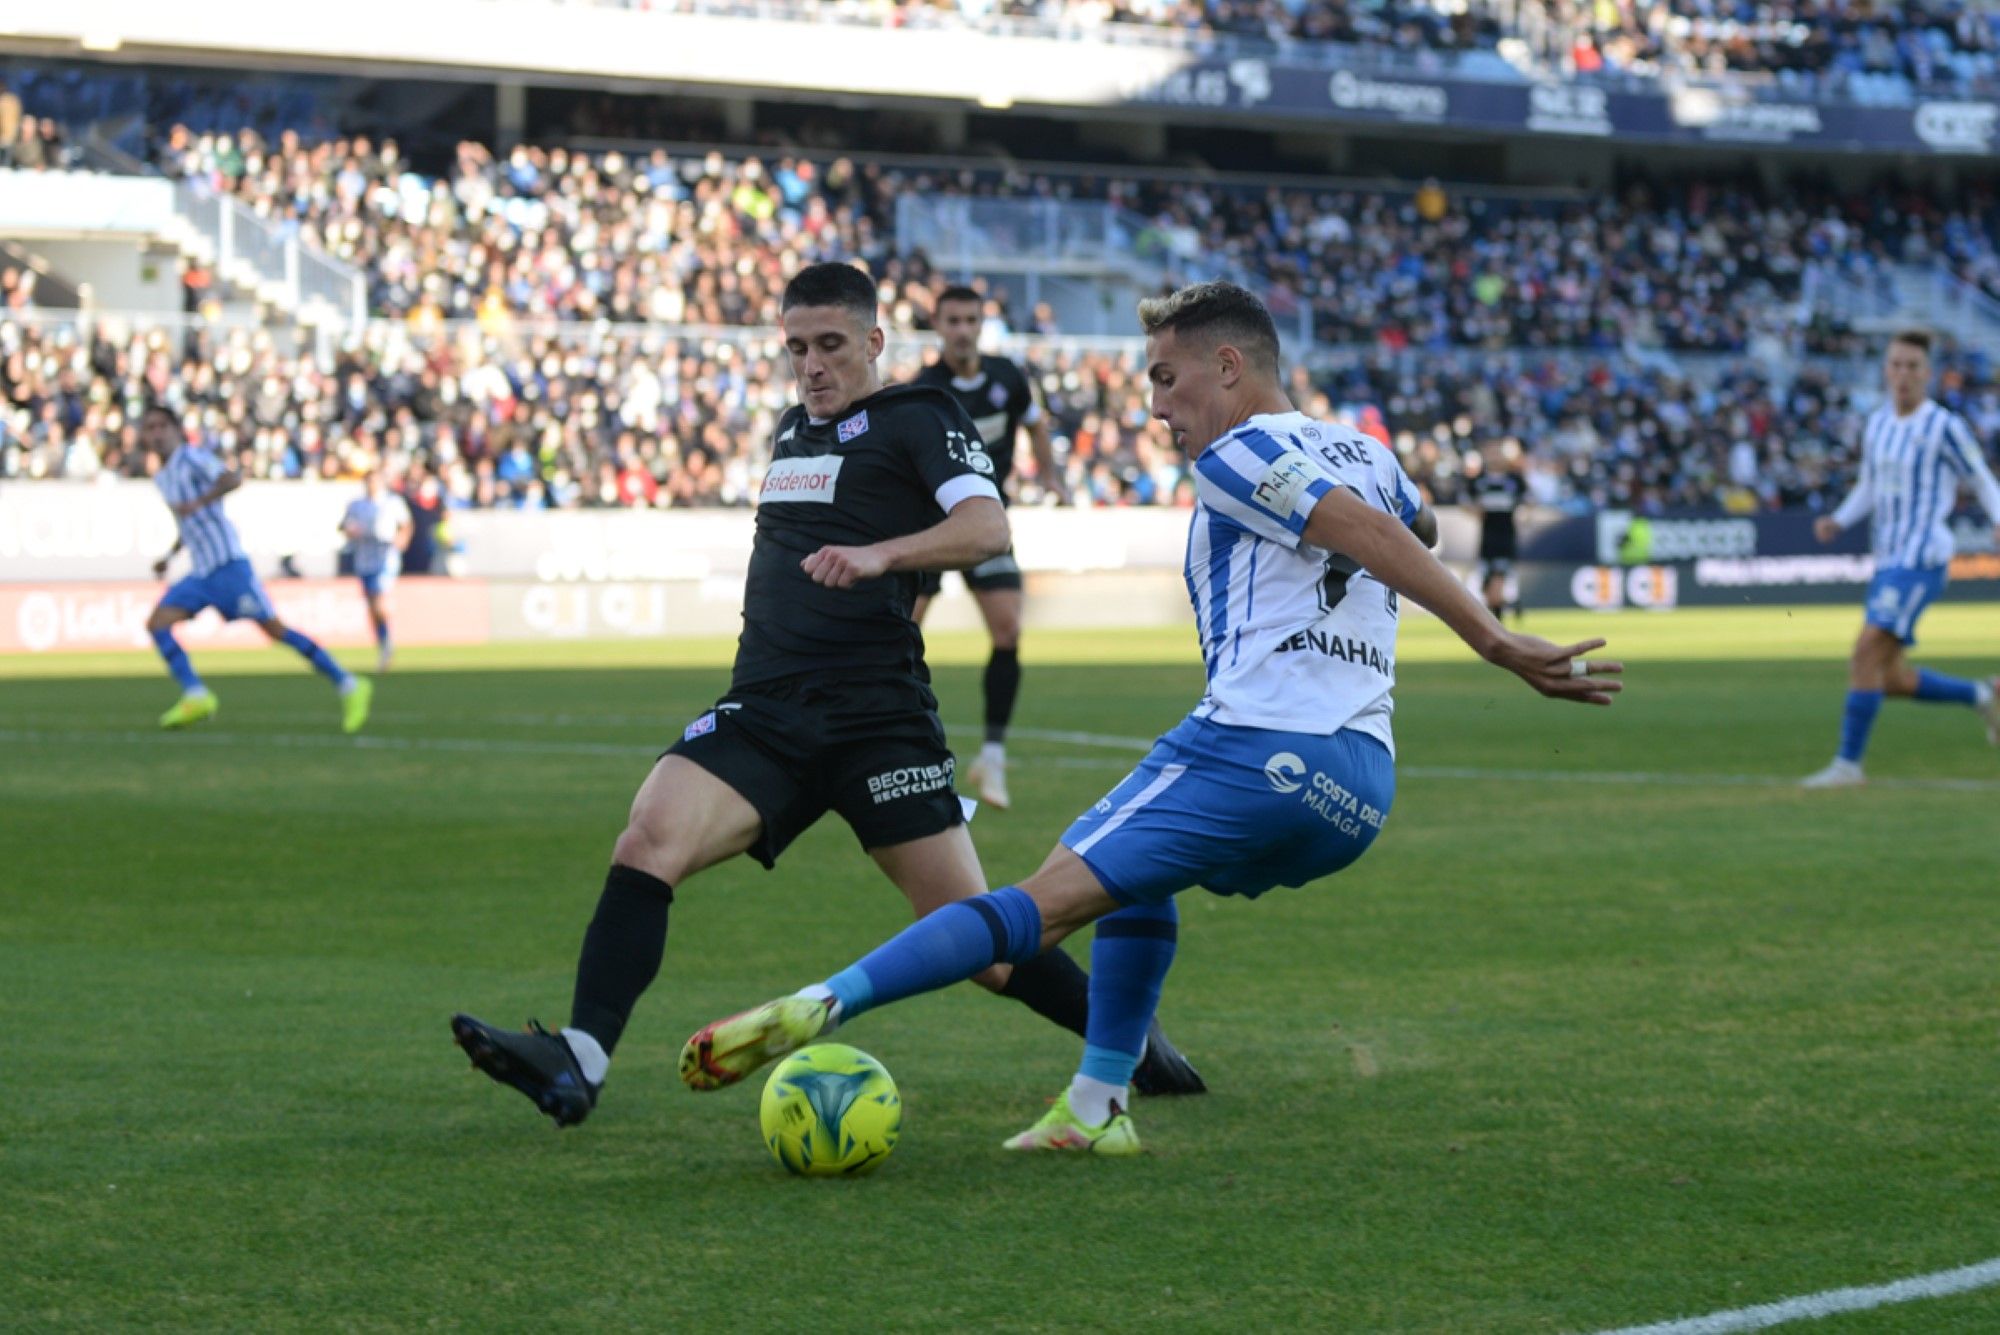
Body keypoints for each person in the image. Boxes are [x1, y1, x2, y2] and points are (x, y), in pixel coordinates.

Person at [675, 281, 1621, 1155]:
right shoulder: (1367, 450)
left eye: (1167, 381)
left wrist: (1495, 639)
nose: (1158, 409)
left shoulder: (1236, 452)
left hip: (1255, 750)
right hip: (1360, 786)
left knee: (1030, 906)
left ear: (1230, 366)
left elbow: (1365, 535)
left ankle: (820, 1003)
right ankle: (1097, 1108)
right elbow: (1409, 526)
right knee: (1135, 876)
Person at [451, 262, 1203, 1130]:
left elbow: (987, 526)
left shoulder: (921, 415)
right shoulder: (788, 432)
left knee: (984, 947)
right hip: (766, 709)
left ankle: (1132, 1040)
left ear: (874, 341)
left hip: (877, 718)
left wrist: (886, 555)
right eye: (797, 347)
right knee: (648, 836)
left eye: (831, 345)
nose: (811, 365)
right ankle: (580, 1058)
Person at [1802, 330, 2000, 788]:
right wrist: (1839, 519)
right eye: (1896, 365)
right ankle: (1983, 694)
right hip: (1887, 560)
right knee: (1886, 677)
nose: (1903, 374)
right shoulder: (1877, 424)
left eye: (1913, 366)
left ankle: (1848, 765)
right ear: (1886, 370)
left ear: (1928, 374)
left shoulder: (1943, 426)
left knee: (1864, 650)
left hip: (1923, 557)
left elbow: (1982, 478)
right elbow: (1869, 486)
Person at [908, 285, 1068, 810]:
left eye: (970, 319)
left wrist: (1051, 477)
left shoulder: (1007, 377)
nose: (961, 329)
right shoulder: (925, 389)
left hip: (984, 524)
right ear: (938, 325)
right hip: (929, 526)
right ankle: (900, 747)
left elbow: (1035, 424)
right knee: (900, 635)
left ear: (982, 323)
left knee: (1008, 628)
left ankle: (992, 756)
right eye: (952, 320)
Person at [144, 405, 374, 734]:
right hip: (201, 571)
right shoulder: (163, 478)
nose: (156, 434)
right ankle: (196, 695)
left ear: (177, 430)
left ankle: (349, 683)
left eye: (161, 426)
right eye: (150, 428)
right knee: (157, 623)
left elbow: (232, 478)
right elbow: (188, 525)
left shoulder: (191, 458)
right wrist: (170, 555)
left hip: (229, 567)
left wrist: (200, 501)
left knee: (275, 630)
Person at [339, 467, 412, 673]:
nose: (372, 485)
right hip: (364, 560)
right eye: (368, 481)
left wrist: (402, 539)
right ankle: (384, 642)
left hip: (386, 557)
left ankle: (387, 625)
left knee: (380, 602)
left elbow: (406, 525)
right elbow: (343, 526)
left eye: (375, 481)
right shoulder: (356, 505)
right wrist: (350, 530)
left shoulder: (392, 503)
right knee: (372, 607)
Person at [1463, 444, 1525, 623]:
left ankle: (1497, 622)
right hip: (1487, 537)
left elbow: (1527, 501)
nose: (1495, 458)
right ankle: (1508, 606)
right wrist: (1474, 511)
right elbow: (1465, 502)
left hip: (1506, 536)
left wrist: (1523, 511)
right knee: (1487, 583)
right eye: (1491, 454)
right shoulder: (1479, 481)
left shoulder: (1514, 481)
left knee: (1498, 578)